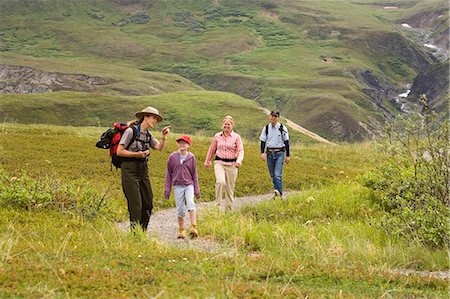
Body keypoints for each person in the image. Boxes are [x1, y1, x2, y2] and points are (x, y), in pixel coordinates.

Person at [117, 106, 171, 232]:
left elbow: (159, 147)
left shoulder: (148, 135)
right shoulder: (131, 132)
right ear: (146, 117)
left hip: (143, 170)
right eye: (154, 118)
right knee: (136, 205)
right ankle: (135, 235)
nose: (155, 121)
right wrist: (137, 155)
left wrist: (164, 137)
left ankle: (142, 231)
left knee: (148, 202)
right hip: (129, 170)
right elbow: (120, 151)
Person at [164, 135, 200, 239]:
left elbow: (194, 175)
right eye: (180, 143)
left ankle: (194, 227)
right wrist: (167, 191)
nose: (182, 145)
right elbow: (168, 175)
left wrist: (197, 192)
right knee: (180, 209)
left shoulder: (191, 158)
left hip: (189, 184)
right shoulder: (172, 157)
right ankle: (181, 230)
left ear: (188, 145)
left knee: (190, 202)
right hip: (177, 186)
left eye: (184, 143)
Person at [204, 116, 244, 211]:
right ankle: (217, 206)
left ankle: (228, 210)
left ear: (232, 126)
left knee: (230, 189)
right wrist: (207, 160)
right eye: (225, 124)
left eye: (228, 124)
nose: (226, 126)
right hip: (219, 163)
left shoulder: (236, 137)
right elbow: (212, 149)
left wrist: (239, 161)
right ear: (222, 125)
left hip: (232, 165)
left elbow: (241, 150)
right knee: (220, 181)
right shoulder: (217, 136)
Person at [259, 111, 290, 199]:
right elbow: (263, 141)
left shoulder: (282, 128)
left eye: (275, 117)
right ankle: (277, 192)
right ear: (270, 117)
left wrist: (288, 155)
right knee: (272, 174)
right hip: (269, 153)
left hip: (280, 153)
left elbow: (286, 141)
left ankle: (279, 194)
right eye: (272, 116)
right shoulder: (266, 128)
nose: (273, 118)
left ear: (278, 118)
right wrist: (262, 152)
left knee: (277, 174)